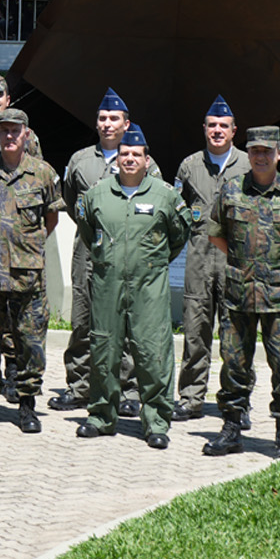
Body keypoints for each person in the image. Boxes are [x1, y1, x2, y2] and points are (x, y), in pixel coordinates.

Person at [203, 126, 280, 460]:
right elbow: (215, 233)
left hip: (279, 296)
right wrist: (245, 265)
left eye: (267, 151)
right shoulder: (231, 191)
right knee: (233, 364)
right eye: (255, 151)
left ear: (279, 153)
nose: (261, 156)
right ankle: (232, 429)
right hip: (239, 294)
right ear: (248, 153)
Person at [74, 123, 189, 449]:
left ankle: (155, 421)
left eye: (135, 154)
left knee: (153, 353)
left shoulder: (165, 195)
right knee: (104, 351)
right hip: (108, 284)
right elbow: (88, 232)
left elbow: (178, 236)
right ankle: (100, 416)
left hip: (149, 287)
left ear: (146, 158)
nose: (129, 159)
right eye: (124, 154)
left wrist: (151, 263)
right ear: (117, 158)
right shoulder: (96, 195)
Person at [52, 88, 157, 414]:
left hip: (126, 254)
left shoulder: (142, 162)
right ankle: (80, 385)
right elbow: (72, 204)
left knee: (125, 322)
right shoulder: (80, 161)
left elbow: (156, 206)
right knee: (83, 319)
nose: (107, 124)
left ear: (127, 124)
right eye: (102, 118)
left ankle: (127, 390)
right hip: (88, 250)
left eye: (114, 119)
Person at [0, 108, 63, 432]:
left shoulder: (43, 174)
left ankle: (26, 405)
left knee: (30, 343)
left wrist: (26, 247)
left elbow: (51, 219)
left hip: (27, 275)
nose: (9, 136)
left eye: (15, 131)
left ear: (25, 134)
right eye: (4, 130)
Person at [172, 95, 251, 423]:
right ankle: (190, 398)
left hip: (236, 265)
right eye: (212, 126)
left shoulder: (249, 166)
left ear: (234, 131)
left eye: (224, 126)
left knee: (237, 337)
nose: (217, 131)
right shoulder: (190, 166)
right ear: (204, 129)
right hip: (200, 263)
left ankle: (238, 403)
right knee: (195, 332)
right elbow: (177, 214)